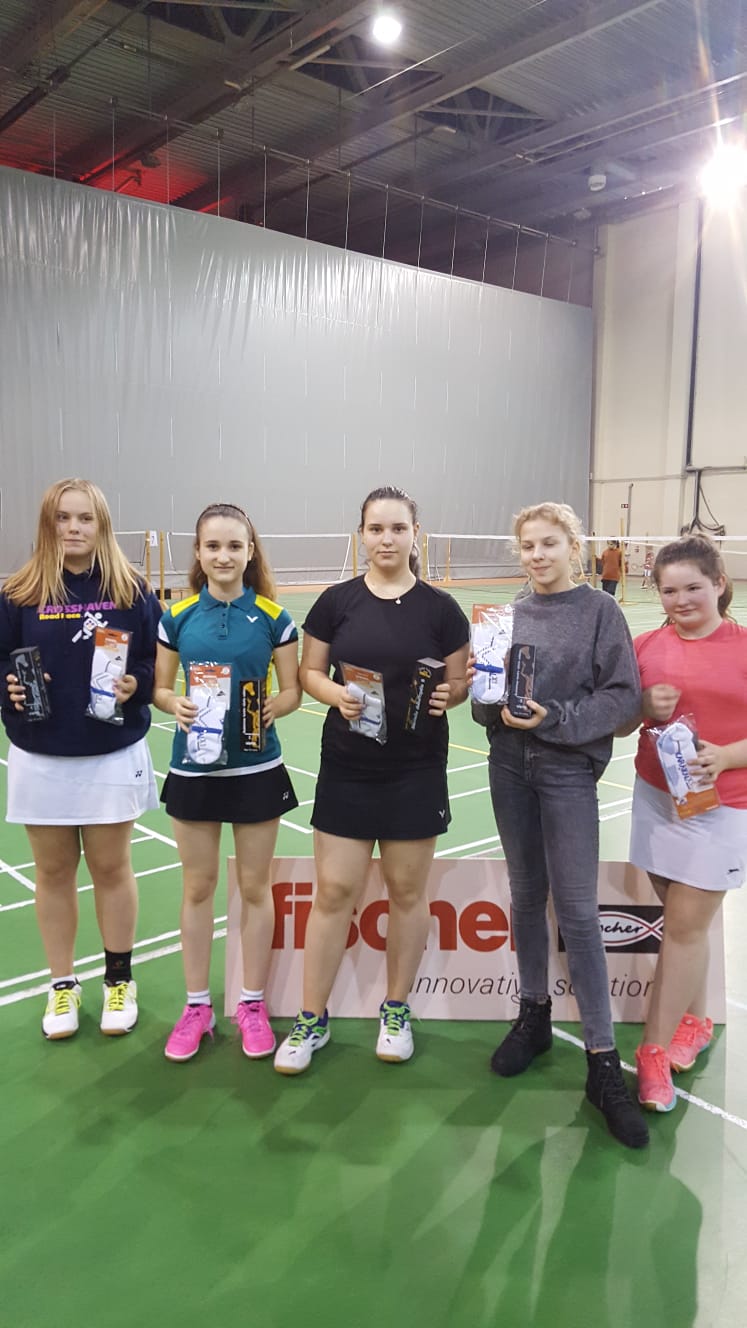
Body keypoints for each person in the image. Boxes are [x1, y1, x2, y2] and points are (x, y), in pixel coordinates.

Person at [274, 485, 470, 1075]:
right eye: (376, 529)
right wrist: (335, 694)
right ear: (361, 535)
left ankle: (397, 1009)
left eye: (398, 528)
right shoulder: (336, 602)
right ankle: (312, 1017)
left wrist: (451, 694)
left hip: (415, 769)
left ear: (415, 535)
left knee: (408, 893)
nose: (387, 539)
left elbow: (459, 682)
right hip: (349, 767)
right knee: (334, 892)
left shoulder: (442, 610)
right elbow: (310, 671)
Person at [473, 502, 649, 1149]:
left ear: (572, 547)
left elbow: (622, 697)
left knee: (576, 911)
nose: (537, 555)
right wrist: (490, 702)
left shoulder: (600, 612)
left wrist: (555, 719)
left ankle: (602, 1062)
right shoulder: (505, 614)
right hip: (507, 766)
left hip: (567, 770)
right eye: (528, 546)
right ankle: (534, 1016)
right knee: (525, 896)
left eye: (549, 543)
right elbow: (483, 705)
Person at [0, 478, 162, 1040]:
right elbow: (1, 663)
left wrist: (136, 684)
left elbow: (156, 661)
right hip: (40, 754)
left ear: (102, 525)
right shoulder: (19, 593)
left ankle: (119, 979)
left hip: (110, 752)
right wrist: (9, 688)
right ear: (48, 524)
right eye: (63, 518)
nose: (74, 528)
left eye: (85, 518)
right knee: (52, 873)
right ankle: (62, 985)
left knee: (112, 868)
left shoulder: (131, 590)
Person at [154, 503, 300, 1063]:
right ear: (198, 552)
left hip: (255, 770)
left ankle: (252, 1004)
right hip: (194, 769)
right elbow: (160, 688)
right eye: (213, 546)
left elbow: (293, 691)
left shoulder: (274, 617)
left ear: (250, 552)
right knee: (197, 887)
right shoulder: (176, 617)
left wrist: (273, 707)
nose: (223, 556)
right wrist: (175, 704)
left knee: (255, 889)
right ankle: (197, 1007)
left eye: (234, 546)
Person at [624, 535, 747, 1112]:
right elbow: (620, 722)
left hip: (724, 808)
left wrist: (728, 756)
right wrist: (640, 707)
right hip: (656, 801)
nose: (681, 601)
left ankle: (652, 1053)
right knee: (685, 923)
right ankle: (695, 1020)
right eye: (669, 591)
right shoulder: (645, 646)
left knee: (682, 928)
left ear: (719, 584)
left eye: (693, 587)